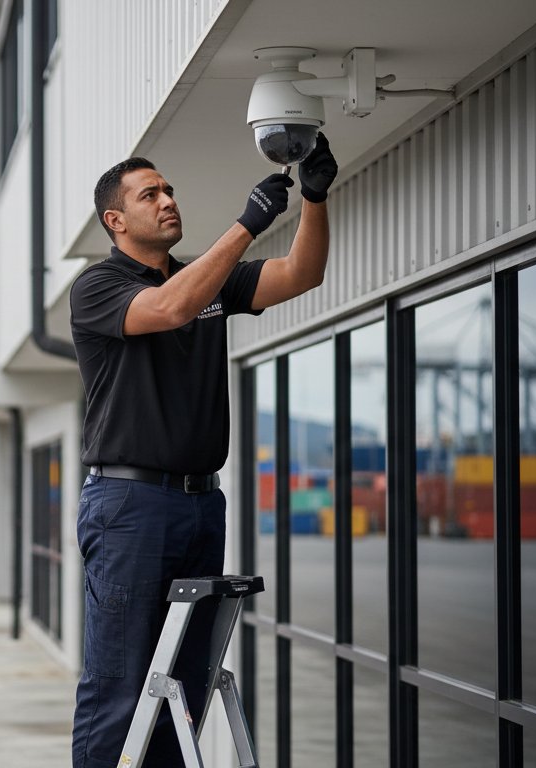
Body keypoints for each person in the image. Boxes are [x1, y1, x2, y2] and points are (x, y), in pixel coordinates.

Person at [69, 135, 338, 768]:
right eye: (150, 194)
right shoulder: (98, 286)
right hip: (128, 505)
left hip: (199, 504)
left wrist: (316, 199)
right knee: (120, 687)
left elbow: (302, 274)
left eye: (169, 190)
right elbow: (168, 308)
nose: (167, 200)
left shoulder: (208, 282)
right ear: (116, 221)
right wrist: (247, 224)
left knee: (179, 690)